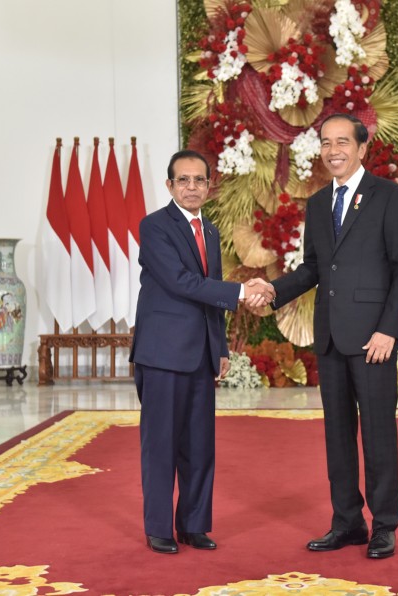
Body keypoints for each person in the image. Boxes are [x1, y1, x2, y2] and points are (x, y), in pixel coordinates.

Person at [259, 113, 398, 559]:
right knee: (337, 435)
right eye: (326, 143)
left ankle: (385, 525)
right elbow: (313, 267)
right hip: (330, 337)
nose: (333, 151)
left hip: (373, 340)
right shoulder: (317, 204)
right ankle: (347, 522)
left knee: (379, 434)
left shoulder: (389, 197)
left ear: (362, 148)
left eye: (342, 142)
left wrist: (390, 329)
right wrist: (273, 291)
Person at [130, 149, 273, 554]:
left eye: (199, 180)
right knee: (160, 444)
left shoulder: (209, 230)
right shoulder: (154, 227)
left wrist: (220, 346)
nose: (191, 187)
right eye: (183, 180)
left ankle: (193, 525)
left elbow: (209, 296)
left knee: (199, 446)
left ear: (209, 186)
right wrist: (244, 291)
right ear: (169, 185)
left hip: (199, 355)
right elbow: (180, 282)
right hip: (162, 355)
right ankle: (158, 528)